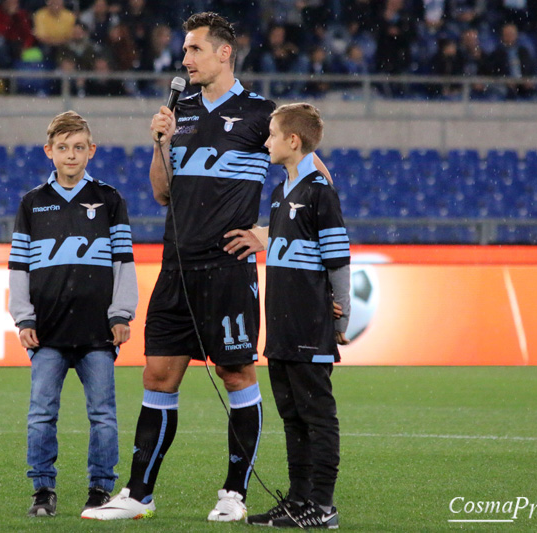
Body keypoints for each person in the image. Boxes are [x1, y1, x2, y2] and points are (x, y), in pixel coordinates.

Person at [82, 10, 335, 523]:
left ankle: (234, 494)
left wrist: (265, 234)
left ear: (224, 53)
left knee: (236, 373)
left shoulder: (262, 113)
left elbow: (317, 183)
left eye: (194, 49)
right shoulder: (182, 112)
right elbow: (160, 192)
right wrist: (160, 142)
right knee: (157, 375)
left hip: (228, 270)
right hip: (176, 264)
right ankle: (138, 493)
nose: (185, 59)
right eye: (184, 50)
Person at [8, 110, 139, 518]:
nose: (71, 155)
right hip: (46, 331)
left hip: (97, 331)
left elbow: (124, 263)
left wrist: (122, 314)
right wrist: (23, 317)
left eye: (78, 147)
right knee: (41, 413)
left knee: (103, 415)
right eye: (62, 148)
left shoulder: (110, 200)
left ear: (91, 151)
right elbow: (18, 267)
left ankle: (100, 490)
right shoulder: (32, 203)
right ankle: (42, 491)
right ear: (49, 151)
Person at [242, 103, 350, 529]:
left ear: (293, 140)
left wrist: (340, 321)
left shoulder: (320, 193)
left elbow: (338, 260)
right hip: (282, 325)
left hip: (309, 325)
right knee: (292, 417)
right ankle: (299, 500)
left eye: (271, 134)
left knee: (317, 416)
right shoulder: (279, 193)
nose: (266, 141)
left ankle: (323, 506)